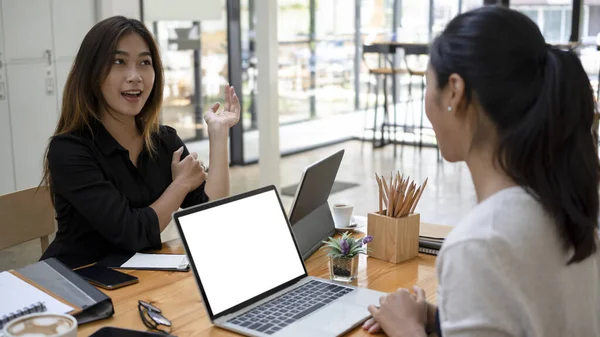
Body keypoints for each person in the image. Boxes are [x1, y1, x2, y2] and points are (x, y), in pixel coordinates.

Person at [363, 6, 600, 337]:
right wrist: (444, 318)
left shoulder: (479, 244)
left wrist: (407, 329)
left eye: (428, 85)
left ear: (455, 92)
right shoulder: (563, 207)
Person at [39, 16, 240, 268]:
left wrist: (219, 134)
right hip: (75, 282)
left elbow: (213, 216)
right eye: (118, 61)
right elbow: (130, 233)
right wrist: (181, 184)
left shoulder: (164, 140)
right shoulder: (69, 150)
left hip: (138, 279)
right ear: (91, 73)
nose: (135, 76)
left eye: (144, 62)